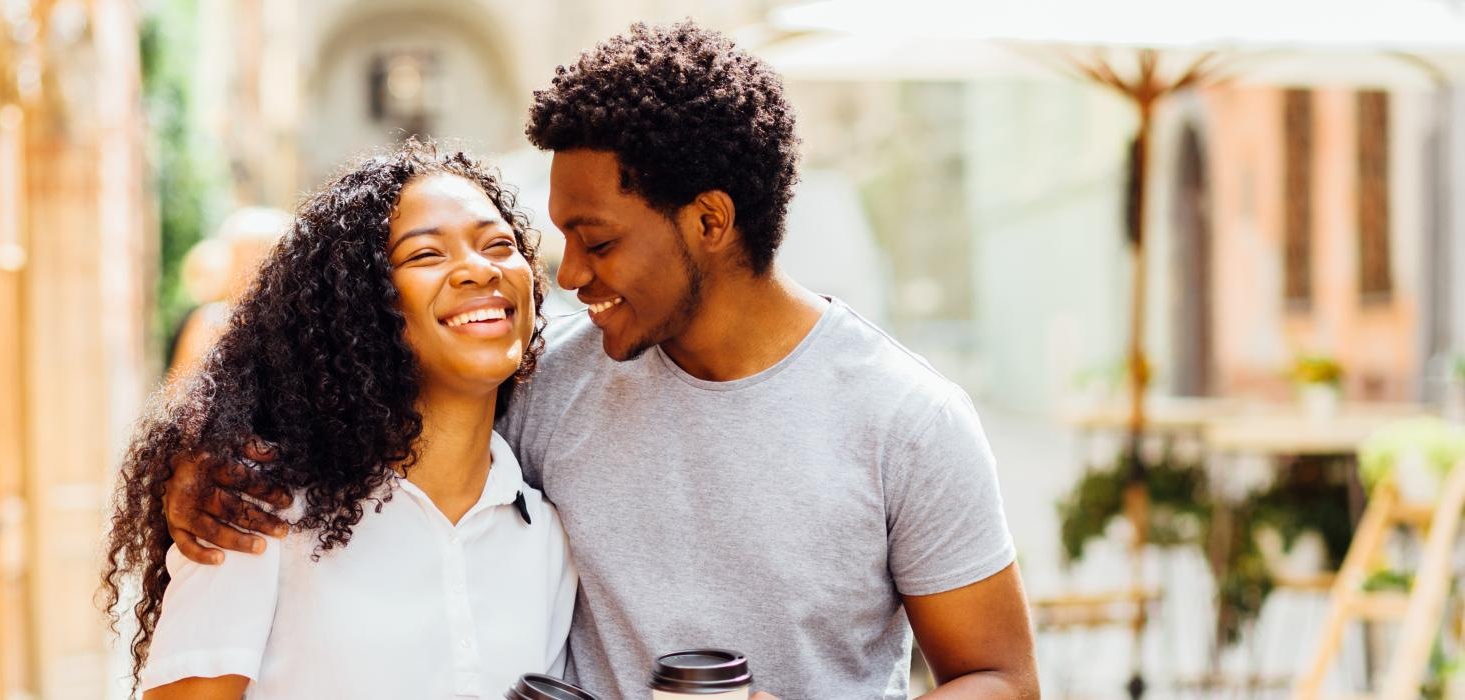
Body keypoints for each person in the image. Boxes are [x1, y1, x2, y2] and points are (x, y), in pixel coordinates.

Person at [165, 21, 1039, 700]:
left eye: (597, 240)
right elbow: (366, 409)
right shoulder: (550, 384)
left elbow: (1004, 678)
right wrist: (203, 463)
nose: (570, 274)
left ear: (708, 222)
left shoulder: (908, 422)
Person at [102, 142, 576, 699]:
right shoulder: (252, 510)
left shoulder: (544, 537)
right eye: (426, 255)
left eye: (499, 245)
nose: (478, 269)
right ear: (358, 300)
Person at [166, 207, 292, 380]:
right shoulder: (209, 324)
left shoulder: (296, 325)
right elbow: (179, 393)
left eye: (260, 258)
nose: (250, 273)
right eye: (242, 260)